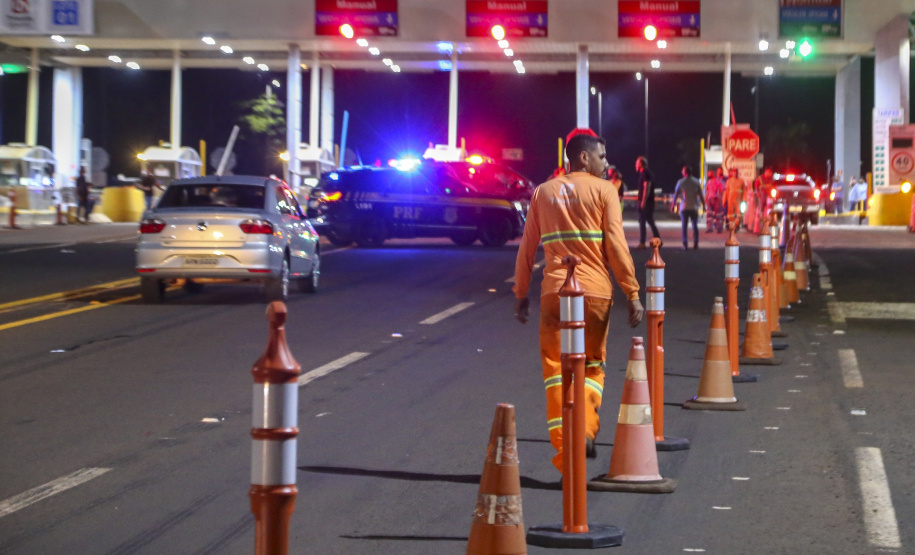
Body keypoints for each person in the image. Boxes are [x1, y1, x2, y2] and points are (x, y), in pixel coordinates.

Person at [513, 134, 644, 475]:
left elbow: (527, 247)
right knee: (592, 368)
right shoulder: (604, 192)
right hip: (596, 295)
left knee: (556, 372)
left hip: (555, 295)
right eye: (601, 156)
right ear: (584, 158)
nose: (606, 163)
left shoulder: (544, 191)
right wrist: (632, 292)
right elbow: (616, 245)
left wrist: (521, 293)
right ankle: (584, 430)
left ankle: (564, 451)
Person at [672, 165, 705, 250]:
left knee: (684, 226)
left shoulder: (681, 182)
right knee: (695, 226)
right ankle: (696, 243)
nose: (681, 172)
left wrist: (673, 205)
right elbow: (701, 195)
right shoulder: (696, 181)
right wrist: (704, 205)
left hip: (684, 207)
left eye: (682, 171)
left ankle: (685, 244)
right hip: (694, 207)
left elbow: (676, 195)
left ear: (685, 172)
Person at [635, 156, 661, 249]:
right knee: (650, 221)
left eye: (637, 163)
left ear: (641, 164)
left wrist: (643, 201)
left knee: (643, 222)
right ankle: (658, 239)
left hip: (646, 202)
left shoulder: (645, 173)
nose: (636, 165)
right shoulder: (646, 173)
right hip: (648, 202)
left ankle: (642, 242)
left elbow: (647, 187)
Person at [752, 167, 774, 233]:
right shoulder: (760, 178)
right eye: (769, 173)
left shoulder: (771, 179)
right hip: (762, 196)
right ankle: (759, 227)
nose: (770, 174)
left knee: (769, 211)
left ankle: (768, 225)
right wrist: (758, 194)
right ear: (766, 172)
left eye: (771, 173)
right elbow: (756, 186)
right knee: (760, 211)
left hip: (769, 197)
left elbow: (773, 187)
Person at [705, 168, 726, 233]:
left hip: (716, 199)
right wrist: (706, 198)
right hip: (710, 199)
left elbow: (722, 189)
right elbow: (708, 191)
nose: (709, 175)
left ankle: (719, 228)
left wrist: (720, 197)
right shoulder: (709, 182)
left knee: (718, 214)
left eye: (710, 174)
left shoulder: (718, 181)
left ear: (713, 174)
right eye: (708, 174)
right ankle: (709, 228)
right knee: (709, 214)